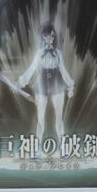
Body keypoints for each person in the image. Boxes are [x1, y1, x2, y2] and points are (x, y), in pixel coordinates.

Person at [18, 22, 74, 152]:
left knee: (59, 118)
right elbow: (32, 68)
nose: (50, 38)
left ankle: (63, 147)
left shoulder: (58, 53)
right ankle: (37, 147)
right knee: (40, 119)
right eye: (47, 36)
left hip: (57, 85)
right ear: (43, 36)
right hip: (42, 85)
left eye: (52, 36)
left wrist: (70, 86)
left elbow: (63, 70)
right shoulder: (39, 53)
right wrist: (21, 82)